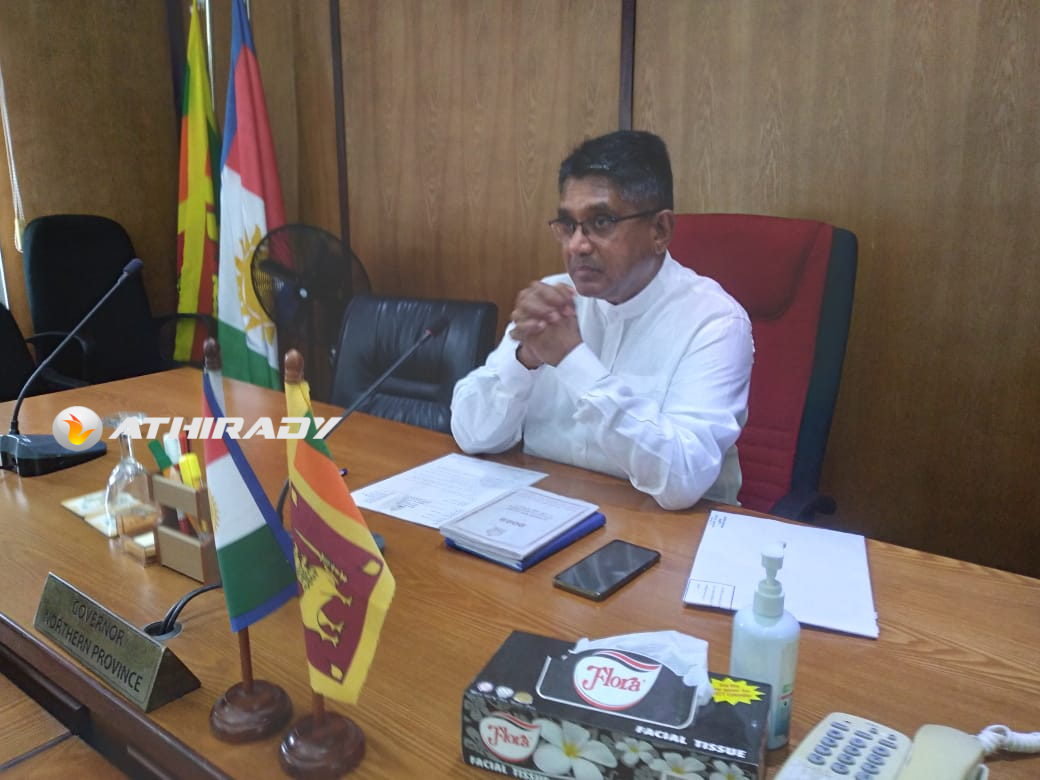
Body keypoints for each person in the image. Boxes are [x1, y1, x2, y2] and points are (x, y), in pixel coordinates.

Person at [450, 130, 753, 510]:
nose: (577, 245)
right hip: (545, 513)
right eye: (568, 225)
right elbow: (472, 435)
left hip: (666, 532)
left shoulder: (715, 321)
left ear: (660, 230)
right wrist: (524, 360)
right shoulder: (553, 298)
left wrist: (572, 359)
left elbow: (681, 480)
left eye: (602, 222)